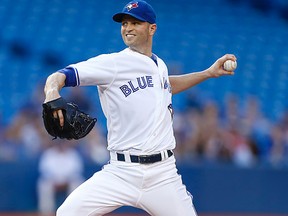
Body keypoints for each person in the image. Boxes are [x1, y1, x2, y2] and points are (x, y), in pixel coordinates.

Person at [43, 1, 237, 215]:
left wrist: (207, 73)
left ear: (152, 28)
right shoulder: (113, 63)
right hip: (121, 172)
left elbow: (166, 85)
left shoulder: (159, 65)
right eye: (125, 23)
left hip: (163, 175)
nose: (128, 28)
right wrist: (52, 92)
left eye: (135, 23)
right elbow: (60, 75)